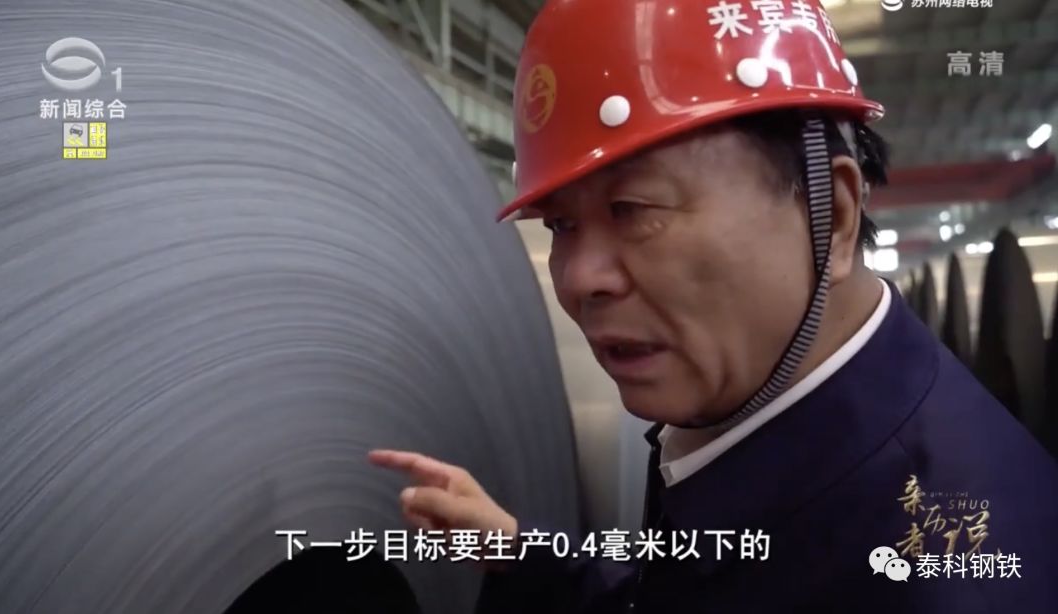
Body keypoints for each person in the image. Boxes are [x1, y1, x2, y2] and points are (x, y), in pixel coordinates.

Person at [370, 0, 1058, 611]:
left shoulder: (941, 574)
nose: (579, 278)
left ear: (835, 217)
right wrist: (523, 554)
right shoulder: (756, 420)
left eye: (632, 208)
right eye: (561, 225)